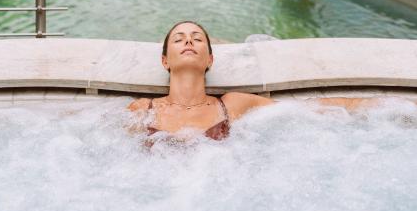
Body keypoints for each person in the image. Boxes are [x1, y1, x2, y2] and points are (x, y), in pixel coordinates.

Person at [127, 21, 398, 142]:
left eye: (197, 38)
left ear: (209, 59)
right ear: (165, 61)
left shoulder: (232, 105)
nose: (188, 40)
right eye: (179, 38)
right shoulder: (143, 109)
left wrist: (388, 105)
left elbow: (310, 108)